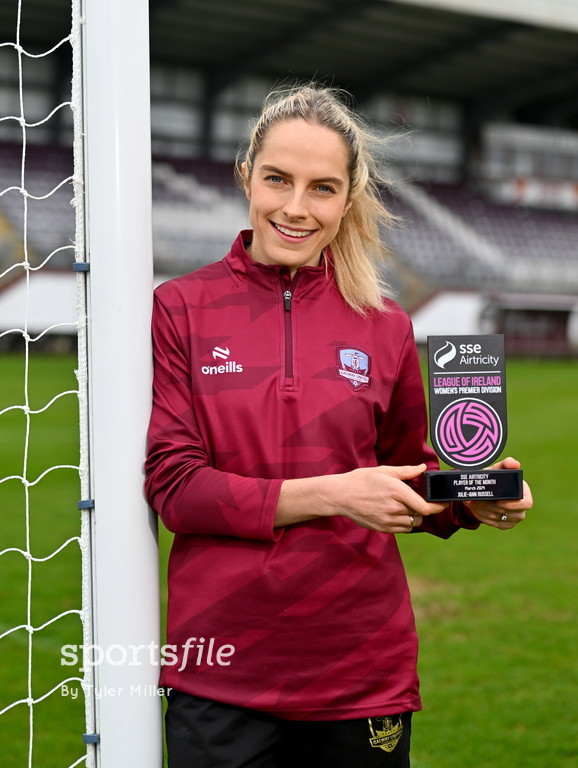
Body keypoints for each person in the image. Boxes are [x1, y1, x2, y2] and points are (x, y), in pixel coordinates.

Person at [144, 83, 533, 768]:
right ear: (246, 177)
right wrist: (331, 494)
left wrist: (472, 498)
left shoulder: (385, 325)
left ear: (348, 199)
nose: (296, 208)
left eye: (322, 188)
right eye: (277, 180)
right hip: (220, 669)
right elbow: (177, 490)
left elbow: (413, 481)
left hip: (360, 670)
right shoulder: (180, 308)